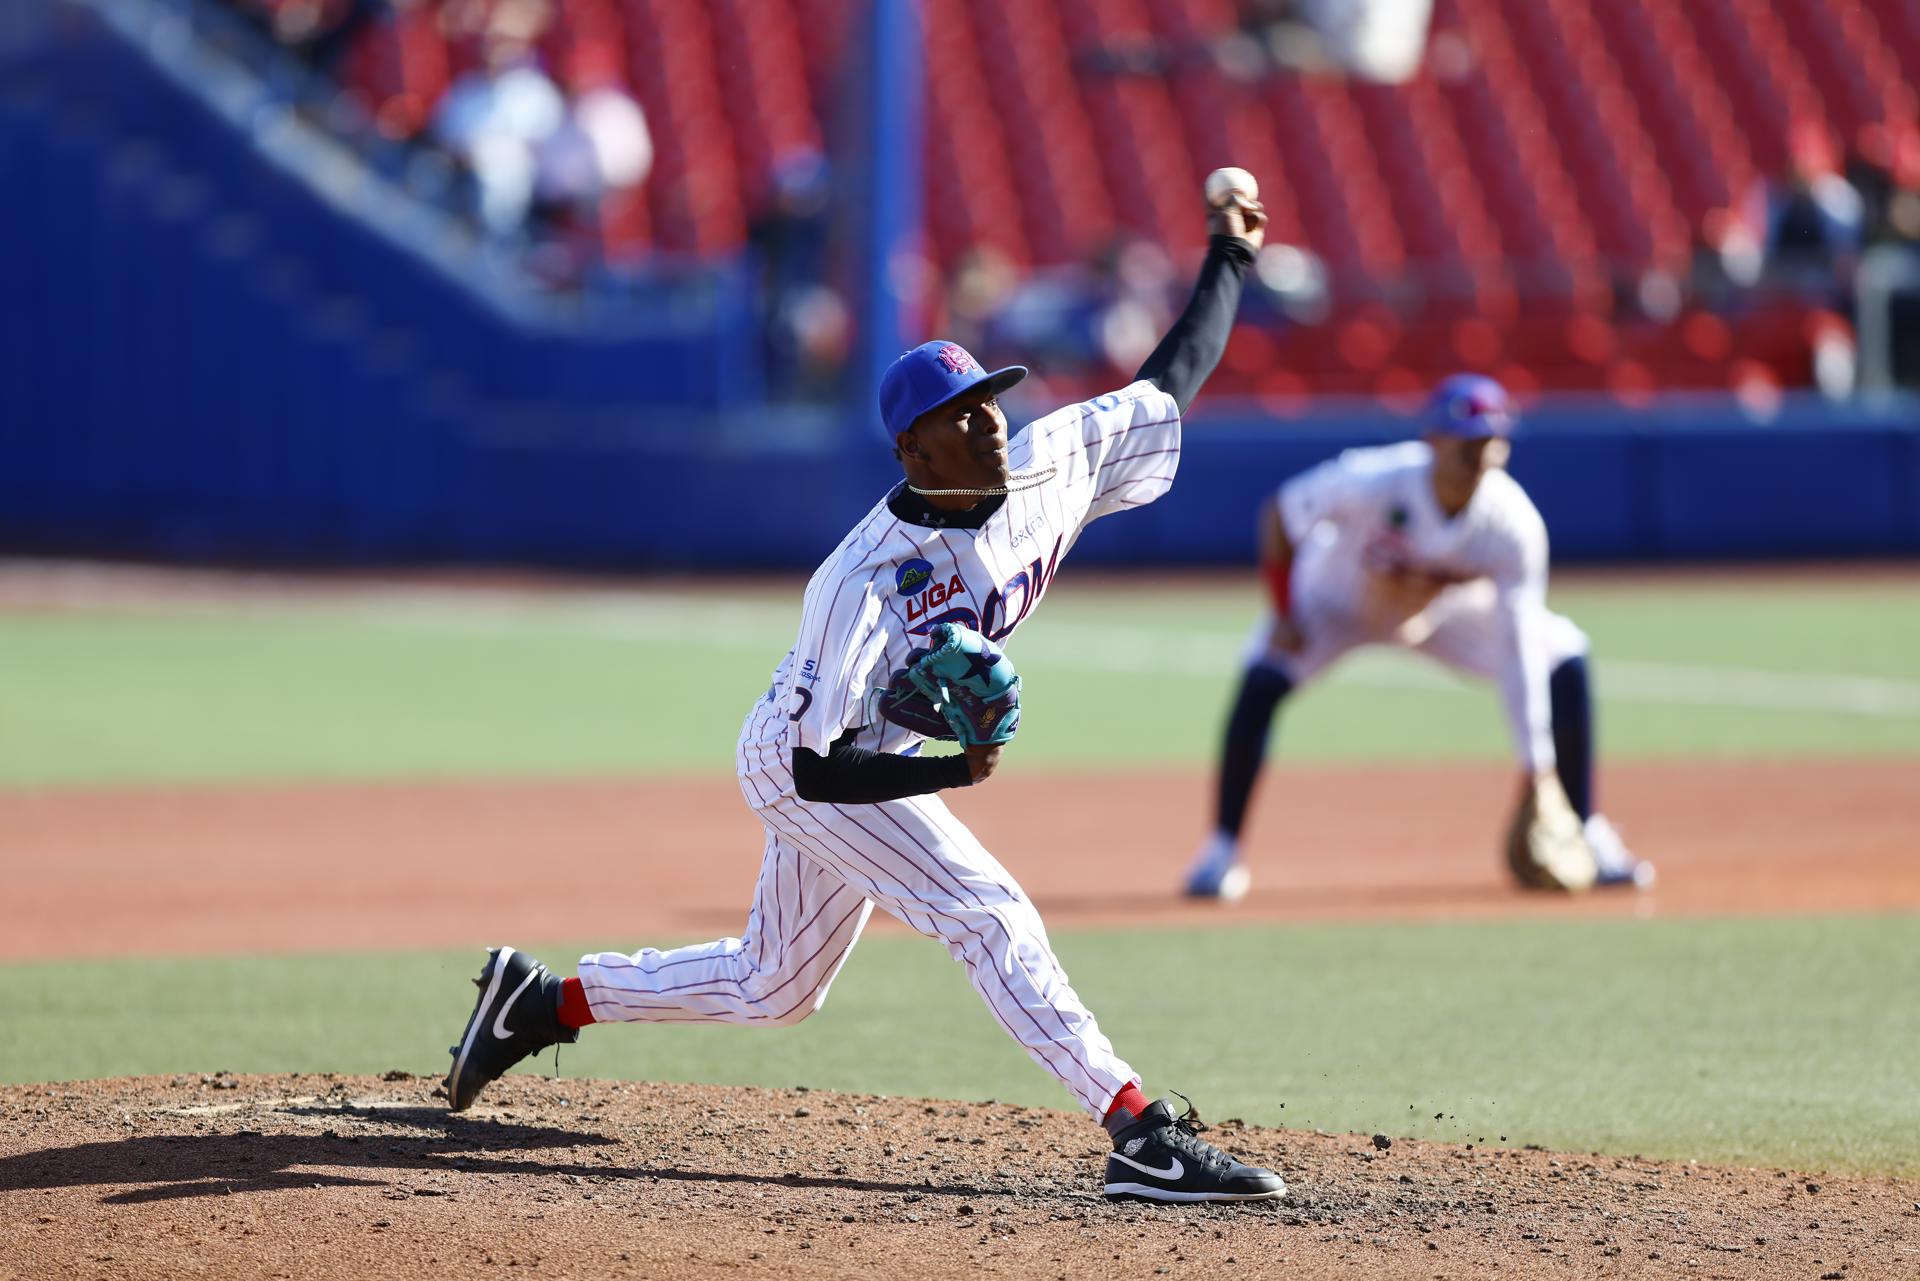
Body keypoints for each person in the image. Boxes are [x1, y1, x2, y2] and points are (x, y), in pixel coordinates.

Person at [445, 190, 1289, 1203]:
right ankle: (1137, 1130)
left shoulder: (1048, 467)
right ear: (912, 453)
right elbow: (813, 764)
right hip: (809, 762)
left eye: (989, 399)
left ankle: (537, 1004)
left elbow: (1168, 385)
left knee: (774, 988)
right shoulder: (863, 583)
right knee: (987, 912)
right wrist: (946, 771)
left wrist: (1228, 257)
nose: (988, 421)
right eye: (959, 416)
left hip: (858, 753)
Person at [1184, 373, 1655, 902]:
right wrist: (1284, 611)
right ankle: (1221, 852)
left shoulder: (1513, 523)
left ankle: (1586, 832)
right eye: (1467, 441)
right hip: (1336, 604)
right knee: (1262, 678)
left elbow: (1520, 645)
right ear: (1433, 439)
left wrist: (1535, 768)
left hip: (1437, 615)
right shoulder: (1375, 478)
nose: (1479, 455)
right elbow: (1280, 513)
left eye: (1491, 442)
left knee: (1563, 654)